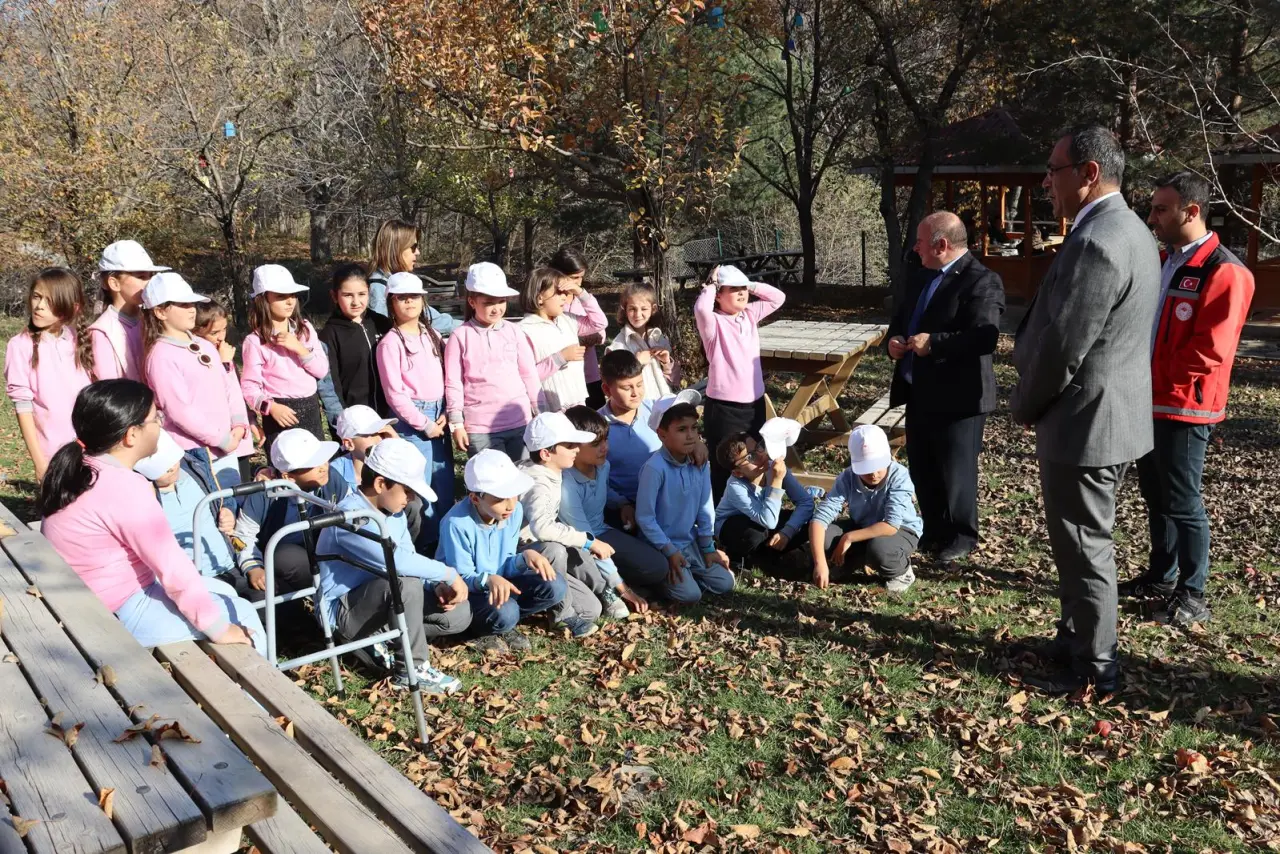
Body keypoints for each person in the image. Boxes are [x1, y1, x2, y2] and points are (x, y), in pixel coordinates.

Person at [1010, 124, 1161, 695]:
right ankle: (1076, 637)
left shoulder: (1100, 240)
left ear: (1089, 173)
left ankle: (1098, 666)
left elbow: (1064, 347)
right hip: (1106, 416)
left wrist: (1025, 404)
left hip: (1086, 421)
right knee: (1079, 541)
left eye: (1054, 171)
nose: (1046, 182)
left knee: (1084, 545)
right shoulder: (1131, 229)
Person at [1117, 171, 1256, 626]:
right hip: (1146, 401)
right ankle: (1161, 577)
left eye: (1161, 209)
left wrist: (1148, 377)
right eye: (1152, 208)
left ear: (1192, 211)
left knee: (1183, 500)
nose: (1151, 218)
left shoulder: (1225, 270)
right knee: (1156, 495)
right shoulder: (1164, 260)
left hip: (1184, 407)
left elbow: (1210, 349)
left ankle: (1193, 593)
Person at [39, 379, 265, 654]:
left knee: (225, 592)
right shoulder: (124, 487)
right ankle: (265, 682)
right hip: (116, 610)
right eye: (155, 418)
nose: (160, 424)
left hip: (91, 597)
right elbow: (171, 565)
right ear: (132, 435)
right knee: (241, 612)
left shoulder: (81, 467)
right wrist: (219, 629)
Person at [886, 211, 1004, 563]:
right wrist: (894, 340)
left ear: (941, 244)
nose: (915, 248)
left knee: (956, 471)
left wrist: (934, 343)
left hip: (958, 397)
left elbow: (984, 338)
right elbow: (902, 319)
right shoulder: (921, 276)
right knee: (923, 467)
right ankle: (934, 530)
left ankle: (961, 537)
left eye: (921, 242)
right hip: (919, 390)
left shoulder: (981, 280)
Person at [317, 438, 468, 694]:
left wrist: (435, 585)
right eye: (407, 490)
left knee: (459, 614)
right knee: (405, 584)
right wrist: (448, 574)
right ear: (380, 484)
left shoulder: (393, 513)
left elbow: (409, 555)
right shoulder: (351, 518)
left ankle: (382, 640)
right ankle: (411, 669)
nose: (411, 498)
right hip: (345, 612)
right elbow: (396, 561)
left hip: (385, 600)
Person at [436, 450, 576, 653]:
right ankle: (482, 628)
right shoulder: (456, 523)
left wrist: (524, 558)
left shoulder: (514, 511)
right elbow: (461, 578)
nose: (510, 505)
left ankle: (503, 622)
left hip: (499, 583)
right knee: (507, 611)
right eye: (500, 499)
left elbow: (505, 561)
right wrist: (488, 580)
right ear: (475, 498)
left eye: (514, 495)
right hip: (469, 591)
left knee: (556, 586)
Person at [141, 272, 248, 495]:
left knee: (232, 505)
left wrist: (238, 424)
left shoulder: (205, 345)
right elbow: (180, 411)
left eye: (191, 303)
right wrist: (221, 439)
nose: (191, 309)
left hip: (227, 446)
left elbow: (228, 386)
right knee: (211, 508)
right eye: (182, 304)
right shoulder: (161, 356)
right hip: (195, 453)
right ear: (160, 312)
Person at [519, 411, 631, 621]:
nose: (577, 449)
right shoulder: (538, 484)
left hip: (546, 549)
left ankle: (603, 590)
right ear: (546, 454)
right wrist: (589, 541)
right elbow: (542, 528)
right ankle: (559, 612)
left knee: (590, 605)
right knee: (589, 608)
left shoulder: (553, 471)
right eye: (570, 446)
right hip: (527, 554)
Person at [694, 264, 786, 501]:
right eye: (733, 289)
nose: (741, 292)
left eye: (743, 288)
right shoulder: (713, 323)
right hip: (724, 408)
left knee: (754, 461)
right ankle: (720, 513)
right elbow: (701, 308)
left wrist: (750, 284)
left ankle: (752, 506)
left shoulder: (750, 314)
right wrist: (711, 285)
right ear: (719, 296)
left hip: (754, 405)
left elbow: (778, 298)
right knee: (726, 465)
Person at [230, 428, 349, 605]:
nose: (324, 466)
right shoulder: (263, 495)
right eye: (313, 464)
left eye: (323, 459)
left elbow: (351, 509)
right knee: (285, 557)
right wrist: (253, 567)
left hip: (327, 549)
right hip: (289, 558)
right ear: (288, 477)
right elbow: (243, 536)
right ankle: (323, 597)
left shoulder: (332, 479)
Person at [635, 394, 735, 604]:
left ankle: (689, 572)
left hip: (690, 542)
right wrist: (669, 550)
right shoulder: (654, 469)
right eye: (681, 430)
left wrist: (707, 546)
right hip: (661, 546)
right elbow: (645, 518)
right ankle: (657, 578)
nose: (690, 436)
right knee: (690, 596)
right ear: (662, 434)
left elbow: (705, 506)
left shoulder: (699, 462)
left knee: (725, 583)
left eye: (694, 428)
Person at [561, 405, 666, 604]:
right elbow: (585, 537)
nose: (605, 448)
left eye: (605, 439)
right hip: (577, 542)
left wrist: (622, 503)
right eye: (596, 443)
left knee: (657, 567)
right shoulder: (566, 483)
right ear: (573, 445)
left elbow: (603, 490)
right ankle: (607, 587)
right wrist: (623, 590)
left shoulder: (602, 466)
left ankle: (613, 580)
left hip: (601, 530)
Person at [377, 272, 452, 547]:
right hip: (414, 422)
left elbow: (446, 374)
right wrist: (424, 423)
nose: (410, 302)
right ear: (391, 303)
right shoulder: (390, 343)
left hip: (439, 415)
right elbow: (395, 394)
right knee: (419, 485)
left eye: (415, 297)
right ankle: (424, 545)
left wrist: (446, 410)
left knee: (443, 483)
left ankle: (445, 541)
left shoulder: (432, 335)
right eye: (402, 298)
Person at [596, 350, 710, 531]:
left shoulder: (657, 411)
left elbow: (684, 429)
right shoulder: (597, 428)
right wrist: (621, 503)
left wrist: (697, 444)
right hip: (627, 507)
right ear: (607, 390)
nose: (636, 393)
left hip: (669, 500)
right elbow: (595, 478)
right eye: (626, 388)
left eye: (639, 384)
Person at [444, 262, 540, 461]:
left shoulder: (514, 331)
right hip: (481, 428)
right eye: (488, 303)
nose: (496, 309)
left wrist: (540, 410)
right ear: (472, 302)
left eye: (501, 301)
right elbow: (454, 383)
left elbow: (529, 374)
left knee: (524, 475)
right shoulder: (460, 336)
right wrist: (457, 423)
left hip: (520, 422)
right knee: (490, 479)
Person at [808, 425, 922, 592]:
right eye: (866, 468)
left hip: (901, 529)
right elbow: (819, 519)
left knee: (880, 549)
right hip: (863, 525)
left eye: (878, 466)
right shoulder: (848, 477)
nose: (873, 474)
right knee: (825, 537)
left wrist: (849, 537)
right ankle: (856, 560)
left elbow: (891, 524)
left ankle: (902, 572)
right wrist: (820, 563)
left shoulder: (899, 475)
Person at [5, 268, 94, 482]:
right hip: (54, 454)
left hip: (91, 447)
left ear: (73, 307)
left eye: (50, 300)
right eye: (37, 296)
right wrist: (39, 462)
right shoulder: (20, 346)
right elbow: (23, 407)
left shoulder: (77, 340)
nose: (40, 306)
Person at [240, 264, 329, 447]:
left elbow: (321, 371)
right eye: (281, 296)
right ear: (263, 300)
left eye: (293, 295)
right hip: (279, 414)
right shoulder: (254, 341)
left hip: (310, 408)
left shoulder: (305, 330)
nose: (290, 301)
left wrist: (300, 349)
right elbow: (249, 387)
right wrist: (271, 407)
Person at [134, 428, 237, 581]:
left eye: (173, 460)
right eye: (163, 467)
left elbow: (220, 496)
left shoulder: (194, 466)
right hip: (189, 580)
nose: (172, 468)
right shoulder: (140, 494)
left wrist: (228, 510)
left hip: (228, 564)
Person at [713, 419, 814, 571]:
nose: (761, 455)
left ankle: (769, 553)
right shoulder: (735, 487)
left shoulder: (773, 467)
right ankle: (737, 557)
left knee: (808, 522)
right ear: (738, 472)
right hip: (736, 527)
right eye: (750, 457)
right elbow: (769, 521)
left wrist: (787, 532)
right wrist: (776, 481)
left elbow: (806, 502)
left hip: (764, 520)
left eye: (759, 447)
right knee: (754, 533)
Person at [318, 262, 392, 417]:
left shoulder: (382, 323)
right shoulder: (329, 334)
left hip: (390, 414)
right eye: (348, 295)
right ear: (334, 296)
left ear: (369, 292)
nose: (356, 302)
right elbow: (330, 385)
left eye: (362, 294)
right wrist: (341, 419)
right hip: (355, 418)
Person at [193, 300, 256, 482]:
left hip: (239, 435)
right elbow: (211, 391)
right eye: (214, 333)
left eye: (224, 329)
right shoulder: (198, 357)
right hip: (219, 443)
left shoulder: (223, 352)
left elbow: (235, 392)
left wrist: (249, 419)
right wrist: (223, 365)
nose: (221, 337)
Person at [90, 240, 168, 381]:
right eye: (141, 277)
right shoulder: (103, 332)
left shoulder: (155, 319)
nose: (149, 283)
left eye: (150, 276)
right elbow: (110, 385)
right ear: (114, 283)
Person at [367, 219, 459, 335]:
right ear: (396, 249)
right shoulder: (379, 288)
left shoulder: (396, 282)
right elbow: (433, 322)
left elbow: (432, 318)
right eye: (413, 247)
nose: (418, 252)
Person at [519, 266, 589, 413]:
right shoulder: (524, 330)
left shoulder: (567, 320)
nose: (565, 296)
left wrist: (580, 292)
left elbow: (599, 323)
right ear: (540, 298)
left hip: (578, 402)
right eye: (558, 292)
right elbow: (526, 376)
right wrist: (560, 358)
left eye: (566, 292)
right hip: (551, 410)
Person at [548, 246, 609, 409]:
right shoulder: (549, 304)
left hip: (589, 376)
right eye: (574, 278)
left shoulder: (584, 300)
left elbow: (601, 330)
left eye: (581, 277)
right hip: (560, 378)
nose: (578, 283)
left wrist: (581, 293)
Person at [606, 282, 681, 400]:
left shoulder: (659, 338)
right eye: (632, 309)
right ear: (625, 309)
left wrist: (666, 362)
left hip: (665, 403)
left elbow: (674, 381)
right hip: (640, 407)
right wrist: (637, 363)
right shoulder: (618, 346)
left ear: (653, 309)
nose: (638, 314)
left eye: (644, 309)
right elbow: (615, 384)